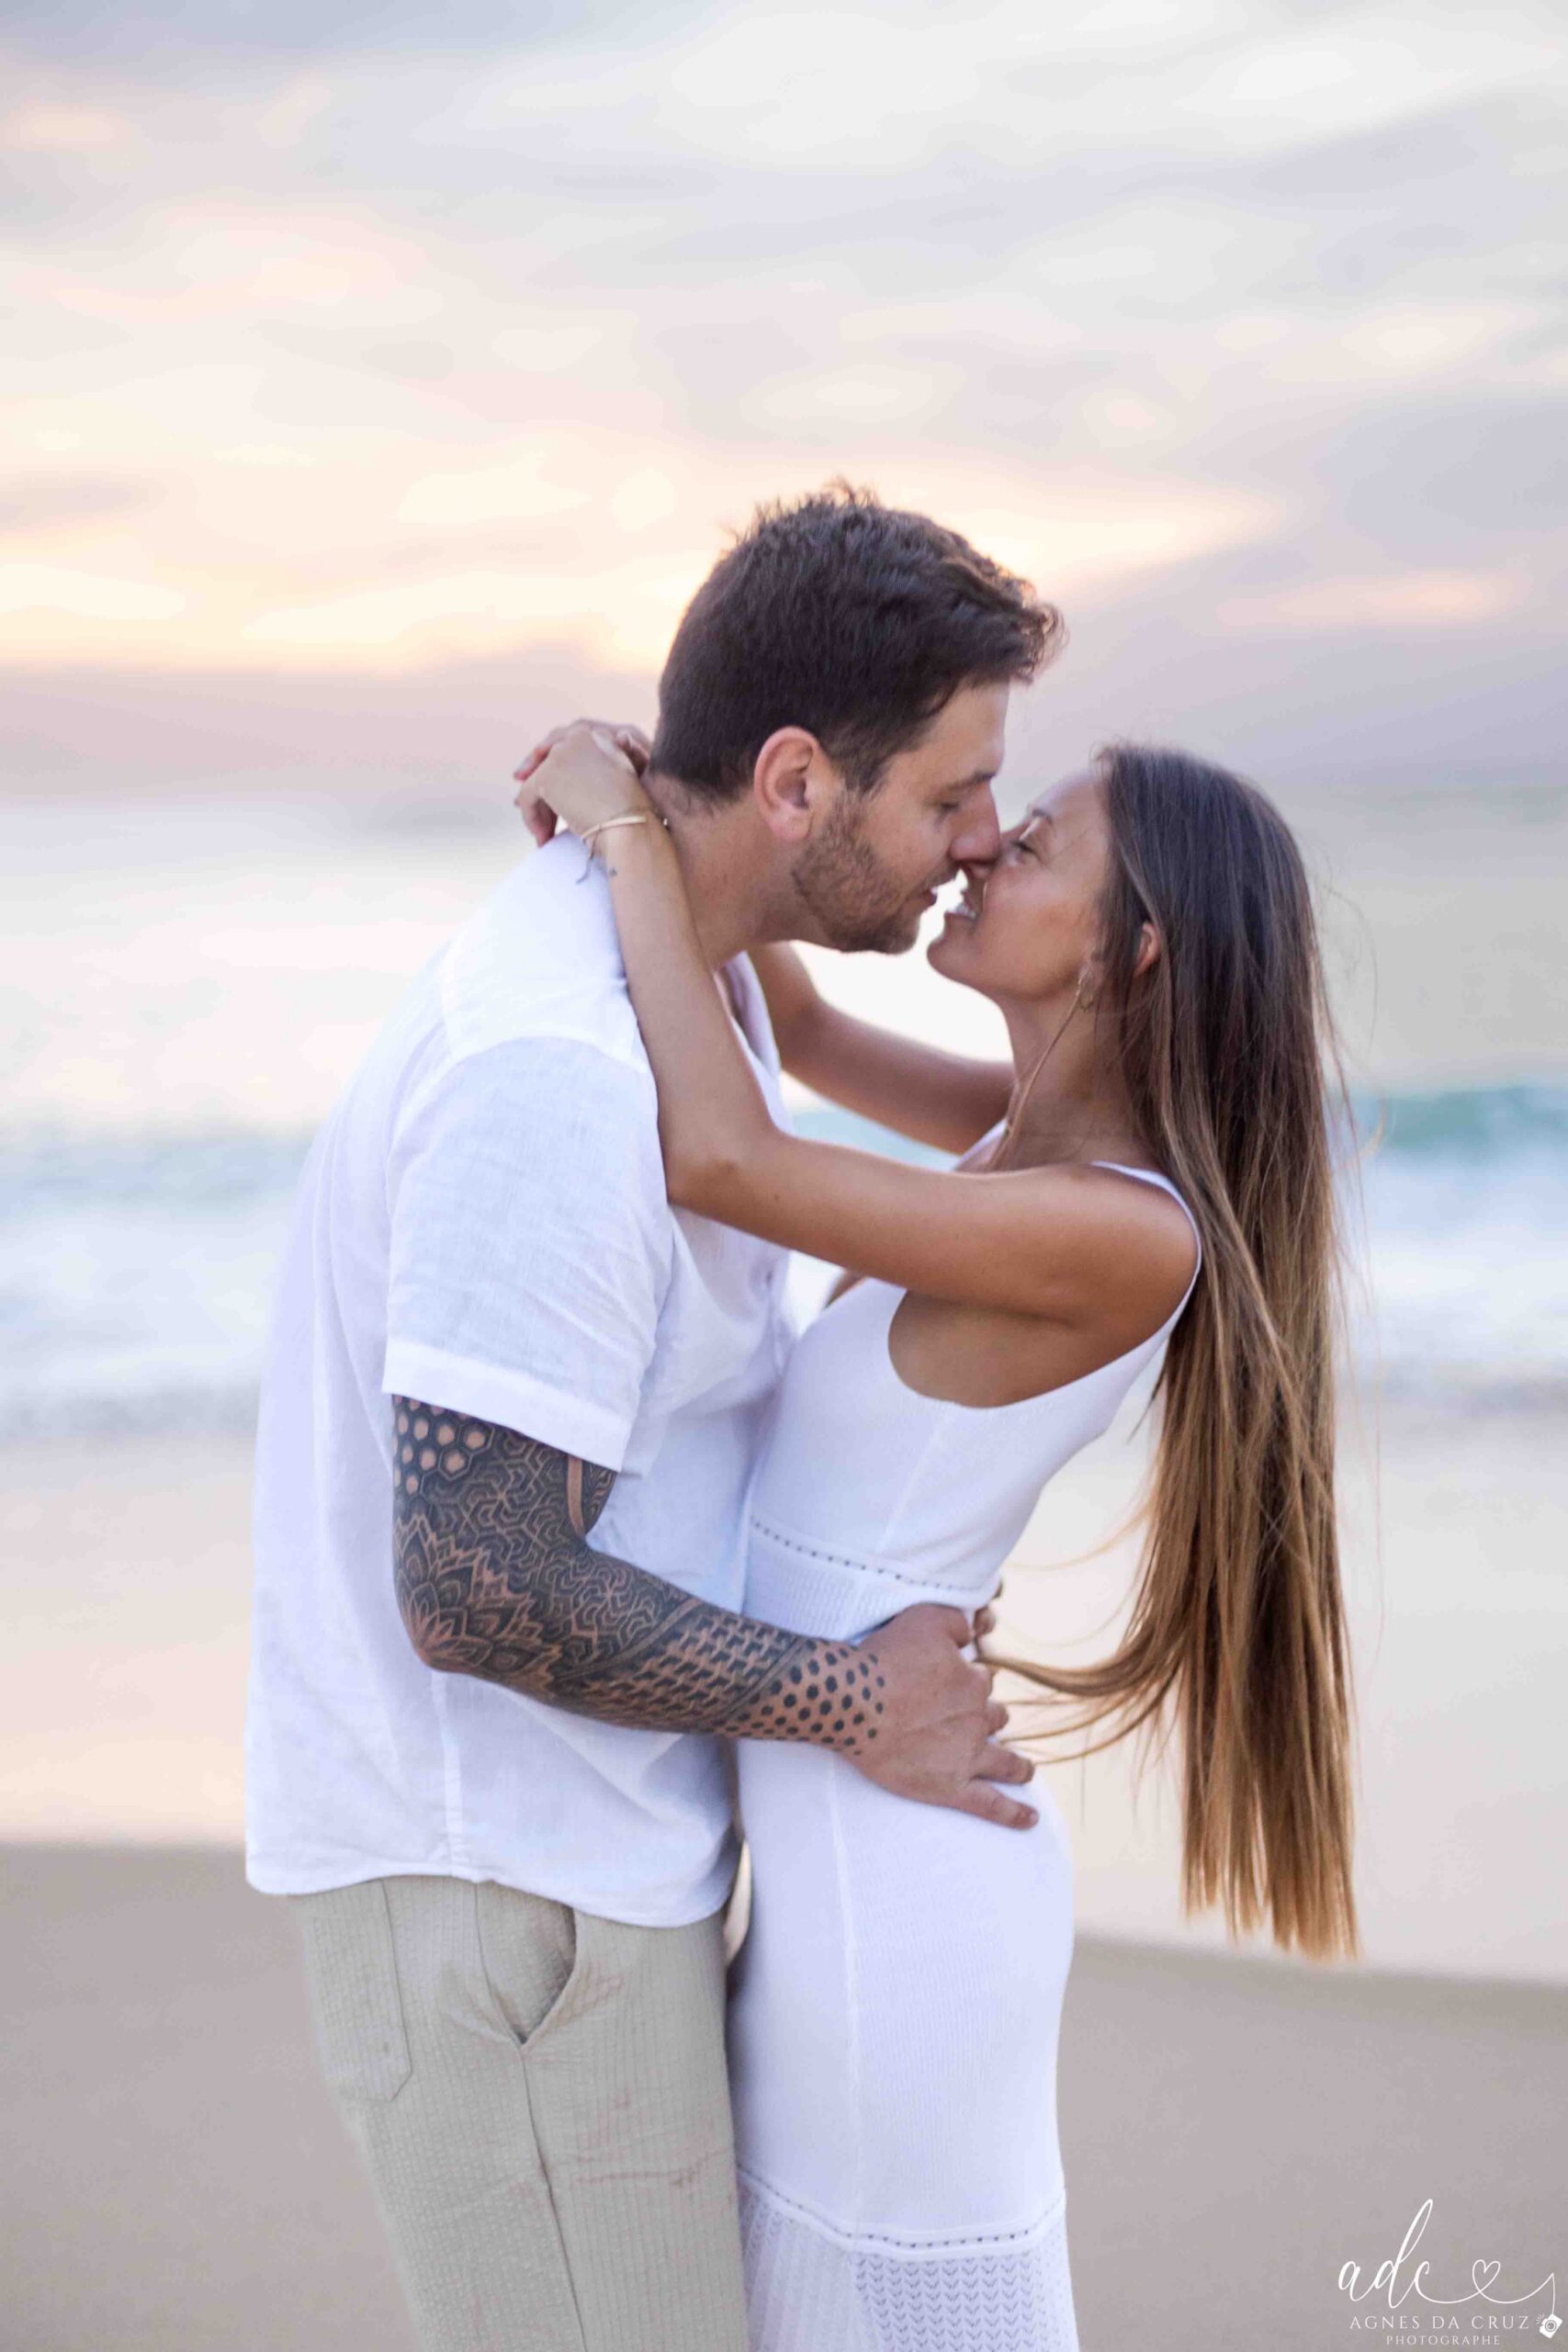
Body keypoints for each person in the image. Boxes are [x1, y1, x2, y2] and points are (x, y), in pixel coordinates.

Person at [243, 484, 1061, 2352]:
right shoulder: (558, 1069)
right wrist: (853, 1696)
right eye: (946, 794)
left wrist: (628, 797)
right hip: (499, 1895)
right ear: (795, 783)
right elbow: (471, 1575)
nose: (975, 838)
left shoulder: (687, 980)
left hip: (588, 1863)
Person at [513, 718, 1362, 2352]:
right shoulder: (1028, 1128)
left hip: (896, 1879)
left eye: (1033, 844)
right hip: (850, 1812)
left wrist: (628, 836)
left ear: (1133, 951)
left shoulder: (1118, 1228)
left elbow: (726, 1152)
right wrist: (697, 806)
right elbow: (800, 1021)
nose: (981, 850)